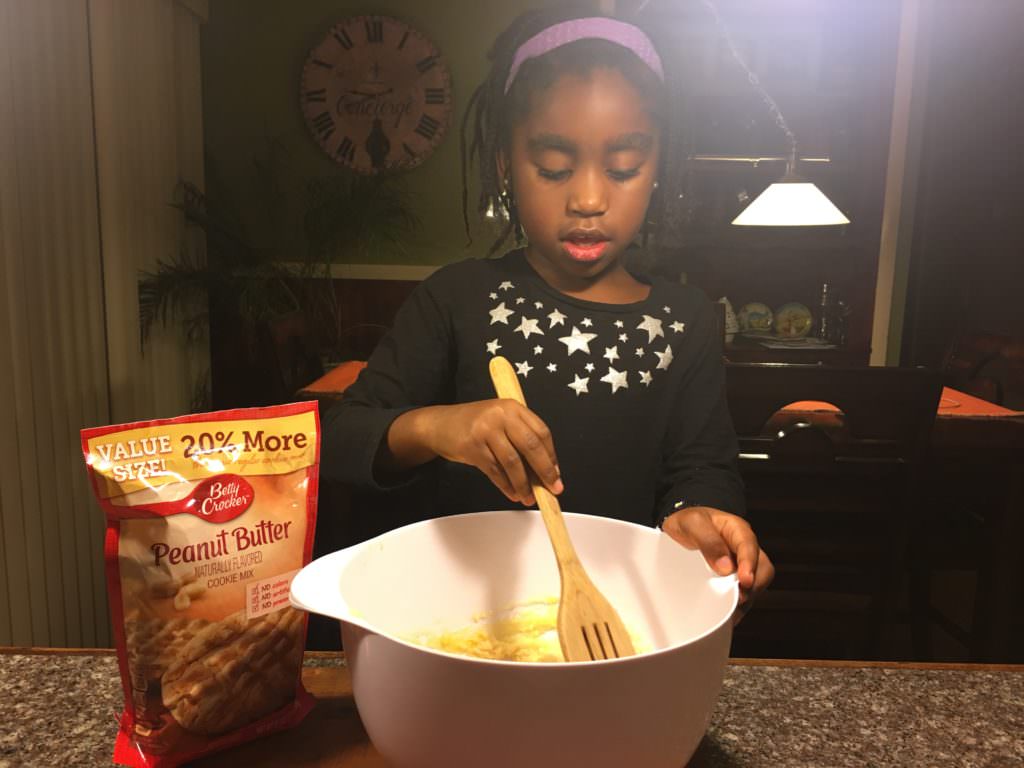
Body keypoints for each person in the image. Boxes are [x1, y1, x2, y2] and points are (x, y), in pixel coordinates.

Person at [322, 8, 773, 615]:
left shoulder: (685, 320)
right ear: (506, 166)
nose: (588, 198)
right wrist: (438, 427)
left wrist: (699, 519)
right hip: (461, 616)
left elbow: (704, 469)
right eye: (554, 168)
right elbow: (344, 440)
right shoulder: (458, 297)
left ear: (657, 167)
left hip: (621, 622)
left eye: (623, 168)